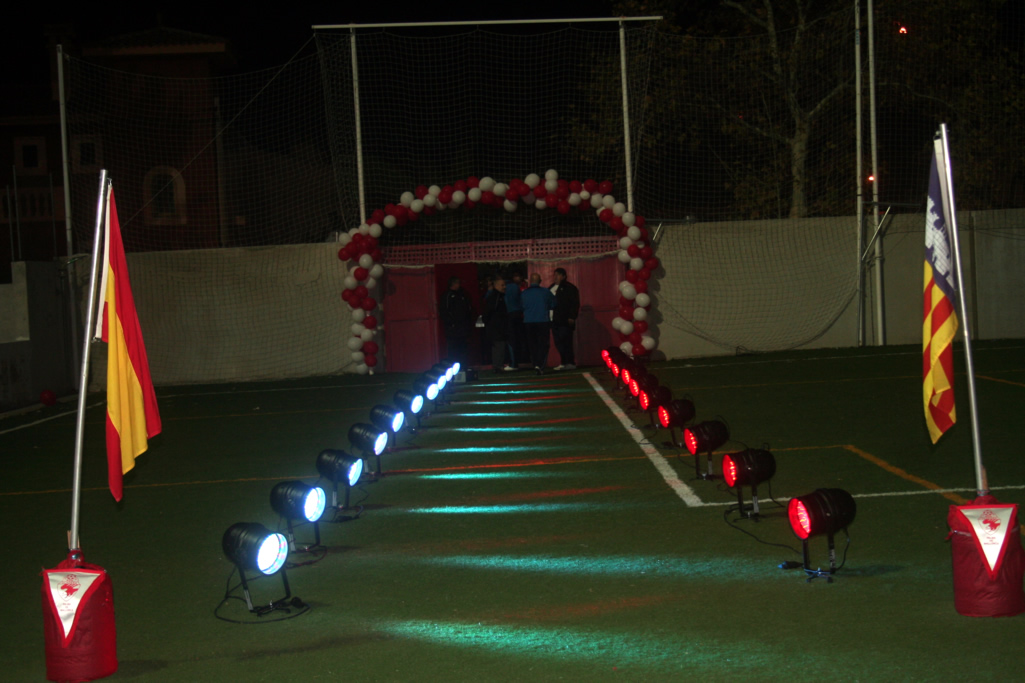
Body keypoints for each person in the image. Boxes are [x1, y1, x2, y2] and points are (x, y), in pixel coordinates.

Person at [520, 272, 556, 374]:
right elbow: (554, 304)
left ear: (530, 281)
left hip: (529, 322)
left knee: (532, 344)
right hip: (542, 321)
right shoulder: (545, 292)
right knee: (543, 344)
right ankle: (540, 365)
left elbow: (521, 306)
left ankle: (535, 363)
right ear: (540, 281)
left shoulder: (524, 293)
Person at [549, 267, 580, 370]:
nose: (555, 277)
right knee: (558, 342)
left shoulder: (569, 288)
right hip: (554, 320)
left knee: (566, 341)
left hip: (564, 319)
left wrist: (572, 316)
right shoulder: (551, 287)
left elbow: (574, 303)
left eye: (558, 275)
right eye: (554, 275)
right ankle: (563, 362)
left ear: (563, 276)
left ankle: (570, 362)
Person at [439, 276, 473, 366]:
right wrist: (452, 323)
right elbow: (444, 311)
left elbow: (467, 308)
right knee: (453, 348)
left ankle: (463, 366)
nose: (459, 285)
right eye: (457, 283)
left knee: (463, 347)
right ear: (453, 284)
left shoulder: (462, 295)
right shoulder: (448, 295)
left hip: (462, 327)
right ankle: (453, 366)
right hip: (453, 329)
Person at [483, 277, 515, 372]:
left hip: (497, 326)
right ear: (496, 285)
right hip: (497, 327)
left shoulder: (498, 296)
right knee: (499, 346)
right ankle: (498, 366)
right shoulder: (496, 297)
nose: (504, 287)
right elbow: (488, 312)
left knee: (499, 346)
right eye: (502, 285)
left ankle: (498, 365)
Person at [504, 270, 525, 368]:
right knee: (517, 338)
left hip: (509, 314)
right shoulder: (515, 287)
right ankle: (517, 360)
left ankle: (513, 363)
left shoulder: (505, 287)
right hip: (517, 314)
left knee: (511, 339)